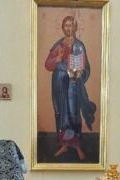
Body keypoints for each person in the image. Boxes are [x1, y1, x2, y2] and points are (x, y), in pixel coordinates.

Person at [44, 15, 96, 161]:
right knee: (61, 113)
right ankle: (64, 144)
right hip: (59, 84)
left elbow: (85, 67)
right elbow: (48, 64)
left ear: (75, 27)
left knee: (73, 113)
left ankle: (77, 146)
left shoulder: (79, 45)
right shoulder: (58, 45)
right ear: (62, 27)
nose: (69, 28)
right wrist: (58, 58)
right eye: (66, 25)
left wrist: (79, 72)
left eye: (71, 25)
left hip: (72, 84)